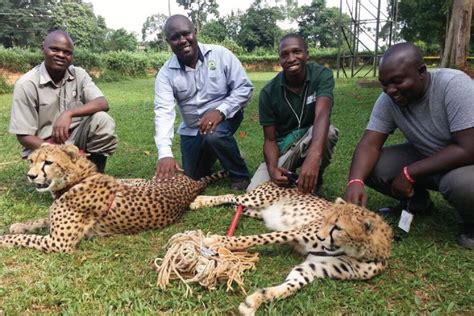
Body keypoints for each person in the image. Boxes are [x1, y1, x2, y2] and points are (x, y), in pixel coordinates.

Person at [343, 42, 474, 250]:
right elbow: (369, 143)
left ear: (421, 71)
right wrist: (355, 181)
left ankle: (471, 223)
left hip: (465, 161)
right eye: (384, 84)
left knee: (464, 185)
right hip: (427, 155)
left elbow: (468, 149)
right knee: (373, 165)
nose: (390, 90)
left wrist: (409, 172)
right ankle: (418, 202)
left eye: (397, 81)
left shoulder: (454, 85)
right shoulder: (389, 99)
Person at [154, 14, 253, 190]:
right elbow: (164, 112)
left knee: (214, 136)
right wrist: (164, 153)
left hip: (225, 118)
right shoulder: (165, 74)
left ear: (195, 32)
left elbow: (244, 88)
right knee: (193, 176)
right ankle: (216, 151)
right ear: (168, 42)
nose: (182, 40)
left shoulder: (220, 54)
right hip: (192, 128)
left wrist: (220, 111)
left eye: (186, 34)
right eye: (175, 38)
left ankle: (240, 175)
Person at [9, 30, 118, 172]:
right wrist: (59, 152)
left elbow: (102, 102)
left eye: (67, 52)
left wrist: (69, 113)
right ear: (43, 49)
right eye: (54, 49)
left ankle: (95, 175)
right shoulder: (27, 84)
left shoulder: (79, 74)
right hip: (44, 146)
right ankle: (68, 172)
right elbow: (24, 136)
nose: (61, 55)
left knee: (103, 120)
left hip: (76, 138)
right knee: (63, 184)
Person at [247, 34, 339, 194]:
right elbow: (270, 140)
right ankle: (293, 178)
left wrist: (314, 157)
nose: (291, 58)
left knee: (329, 132)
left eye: (297, 52)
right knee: (254, 192)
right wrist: (272, 169)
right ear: (280, 60)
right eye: (285, 54)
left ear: (307, 54)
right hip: (286, 146)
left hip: (311, 137)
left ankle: (314, 178)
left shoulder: (321, 75)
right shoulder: (268, 92)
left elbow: (322, 114)